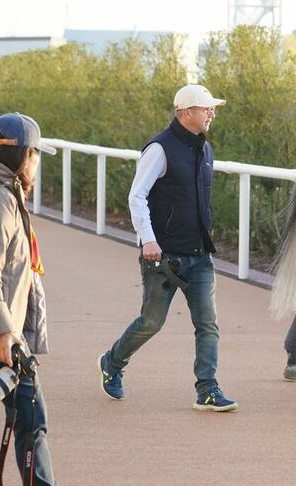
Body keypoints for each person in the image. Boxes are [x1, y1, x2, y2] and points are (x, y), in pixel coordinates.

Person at [98, 85, 238, 412]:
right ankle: (112, 362)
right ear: (186, 112)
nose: (212, 113)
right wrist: (148, 238)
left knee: (208, 323)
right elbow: (137, 196)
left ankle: (207, 389)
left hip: (199, 256)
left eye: (212, 108)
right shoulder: (159, 150)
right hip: (163, 258)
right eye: (206, 109)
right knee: (151, 322)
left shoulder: (206, 150)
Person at [0, 113, 58, 485]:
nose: (37, 165)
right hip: (5, 341)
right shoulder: (2, 203)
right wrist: (6, 333)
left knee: (31, 421)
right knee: (32, 423)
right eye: (35, 155)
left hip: (10, 339)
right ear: (22, 156)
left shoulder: (8, 198)